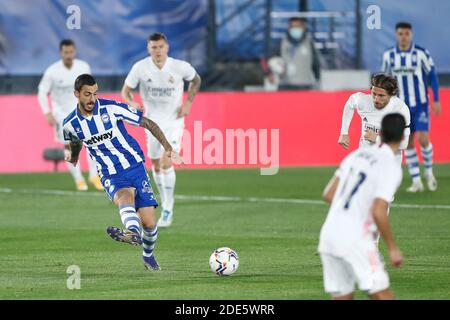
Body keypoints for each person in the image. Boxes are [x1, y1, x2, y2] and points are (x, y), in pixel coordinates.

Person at [62, 74, 183, 270]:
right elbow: (75, 142)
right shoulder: (70, 124)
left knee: (150, 224)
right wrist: (74, 157)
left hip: (135, 166)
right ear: (76, 94)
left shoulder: (112, 108)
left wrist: (168, 148)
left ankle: (148, 255)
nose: (92, 99)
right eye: (87, 94)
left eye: (94, 93)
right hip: (110, 173)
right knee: (125, 194)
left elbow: (148, 123)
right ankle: (131, 232)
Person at [319, 113, 406, 300]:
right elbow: (378, 210)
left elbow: (328, 194)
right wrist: (392, 247)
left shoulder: (356, 154)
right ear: (403, 137)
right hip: (356, 236)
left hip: (329, 234)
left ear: (380, 132)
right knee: (381, 292)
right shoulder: (390, 165)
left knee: (342, 296)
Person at [121, 32, 201, 228]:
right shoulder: (140, 68)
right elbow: (125, 90)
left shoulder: (179, 66)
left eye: (160, 47)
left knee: (167, 162)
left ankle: (168, 208)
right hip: (151, 123)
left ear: (167, 47)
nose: (157, 51)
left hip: (173, 121)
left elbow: (196, 79)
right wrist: (131, 103)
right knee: (156, 165)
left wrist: (189, 102)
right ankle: (165, 202)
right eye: (153, 47)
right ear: (149, 49)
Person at [381, 22, 441, 192]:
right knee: (407, 142)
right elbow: (385, 80)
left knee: (423, 139)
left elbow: (433, 76)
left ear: (411, 35)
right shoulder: (389, 56)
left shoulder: (421, 53)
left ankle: (428, 172)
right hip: (401, 107)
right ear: (396, 35)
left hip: (420, 104)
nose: (403, 36)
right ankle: (416, 180)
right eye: (400, 33)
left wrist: (436, 99)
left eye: (406, 33)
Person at [38, 39, 102, 191]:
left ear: (74, 51)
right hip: (62, 115)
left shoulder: (83, 67)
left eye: (71, 52)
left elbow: (90, 89)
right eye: (65, 52)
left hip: (81, 111)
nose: (68, 55)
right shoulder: (52, 71)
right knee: (70, 146)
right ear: (61, 53)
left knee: (92, 142)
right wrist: (47, 112)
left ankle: (94, 176)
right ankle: (79, 179)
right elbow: (41, 92)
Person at [338, 74, 411, 164]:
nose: (376, 99)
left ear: (392, 95)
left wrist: (377, 138)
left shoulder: (400, 109)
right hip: (366, 158)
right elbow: (350, 103)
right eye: (374, 94)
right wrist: (344, 132)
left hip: (389, 162)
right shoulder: (363, 100)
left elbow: (404, 143)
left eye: (381, 95)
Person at [278, 17, 321, 89]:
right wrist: (270, 72)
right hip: (285, 86)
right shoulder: (281, 43)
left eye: (297, 27)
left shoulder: (309, 44)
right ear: (288, 28)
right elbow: (270, 59)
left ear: (303, 28)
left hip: (305, 86)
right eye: (292, 27)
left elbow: (316, 63)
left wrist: (317, 80)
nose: (295, 29)